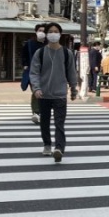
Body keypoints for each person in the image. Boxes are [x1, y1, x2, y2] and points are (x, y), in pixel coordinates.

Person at [29, 22, 78, 163]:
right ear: (46, 34)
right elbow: (34, 72)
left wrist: (73, 89)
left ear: (60, 34)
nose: (53, 34)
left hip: (60, 94)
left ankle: (59, 148)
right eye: (50, 31)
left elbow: (71, 72)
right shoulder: (41, 52)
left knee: (59, 123)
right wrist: (36, 88)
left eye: (56, 31)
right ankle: (47, 144)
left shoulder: (66, 53)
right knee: (44, 122)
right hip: (43, 94)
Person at [22, 23, 46, 124]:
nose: (42, 33)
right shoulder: (30, 43)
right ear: (36, 32)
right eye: (40, 30)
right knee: (36, 91)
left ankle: (41, 112)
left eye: (44, 31)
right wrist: (25, 64)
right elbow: (24, 55)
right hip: (33, 72)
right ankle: (36, 113)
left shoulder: (49, 44)